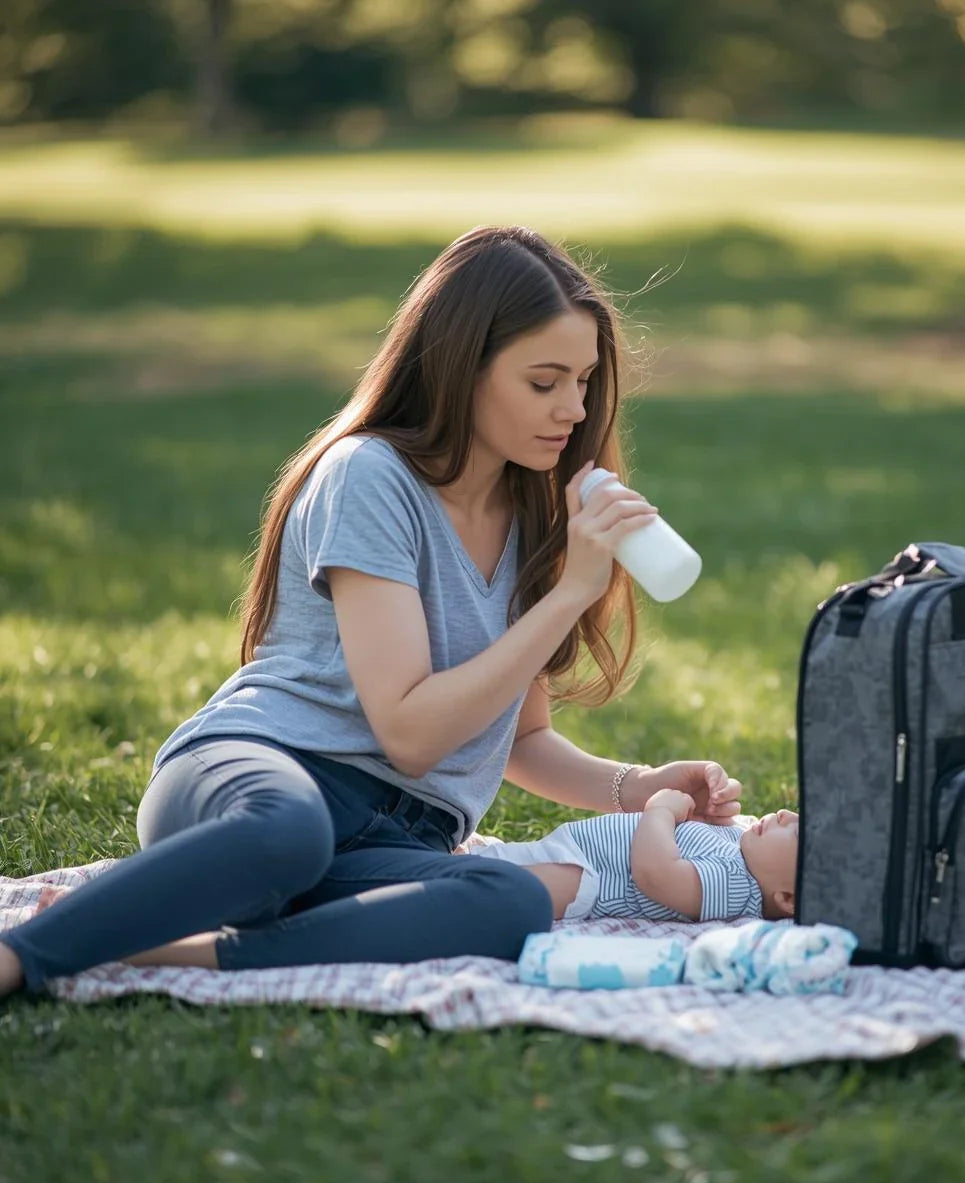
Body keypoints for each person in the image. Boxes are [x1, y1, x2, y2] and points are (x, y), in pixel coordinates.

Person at [0, 224, 743, 999]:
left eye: (585, 382)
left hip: (394, 835)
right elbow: (412, 733)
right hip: (263, 778)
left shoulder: (537, 510)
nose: (572, 409)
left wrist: (640, 785)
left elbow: (519, 739)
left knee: (510, 898)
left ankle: (173, 951)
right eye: (543, 381)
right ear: (463, 369)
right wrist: (567, 598)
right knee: (286, 834)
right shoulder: (369, 477)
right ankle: (25, 953)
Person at [460, 789, 797, 923]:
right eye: (798, 813)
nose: (784, 813)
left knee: (500, 888)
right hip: (581, 851)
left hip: (588, 878)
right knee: (495, 863)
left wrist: (661, 811)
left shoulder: (738, 885)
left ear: (788, 899)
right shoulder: (745, 843)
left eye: (797, 832)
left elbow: (656, 874)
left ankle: (433, 884)